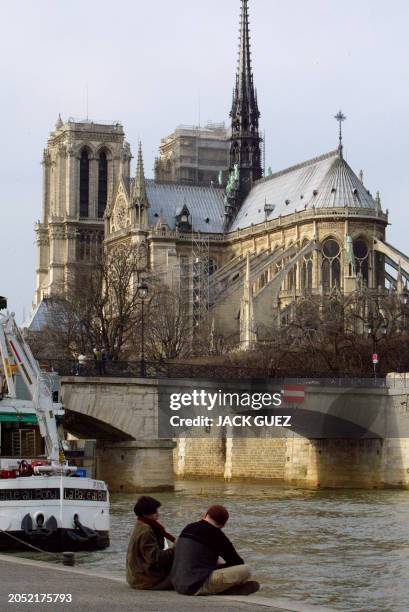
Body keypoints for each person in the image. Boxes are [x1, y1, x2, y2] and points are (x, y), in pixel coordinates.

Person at [170, 504, 260, 596]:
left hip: (177, 584)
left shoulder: (188, 527)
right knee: (246, 570)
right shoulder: (217, 534)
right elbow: (237, 562)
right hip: (194, 586)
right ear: (223, 525)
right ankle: (225, 590)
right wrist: (222, 565)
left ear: (206, 515)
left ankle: (225, 589)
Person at [126, 495, 175, 590]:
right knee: (185, 577)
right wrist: (174, 549)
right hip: (145, 580)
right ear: (145, 514)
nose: (158, 514)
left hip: (136, 576)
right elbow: (155, 558)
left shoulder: (141, 525)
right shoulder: (146, 531)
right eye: (155, 512)